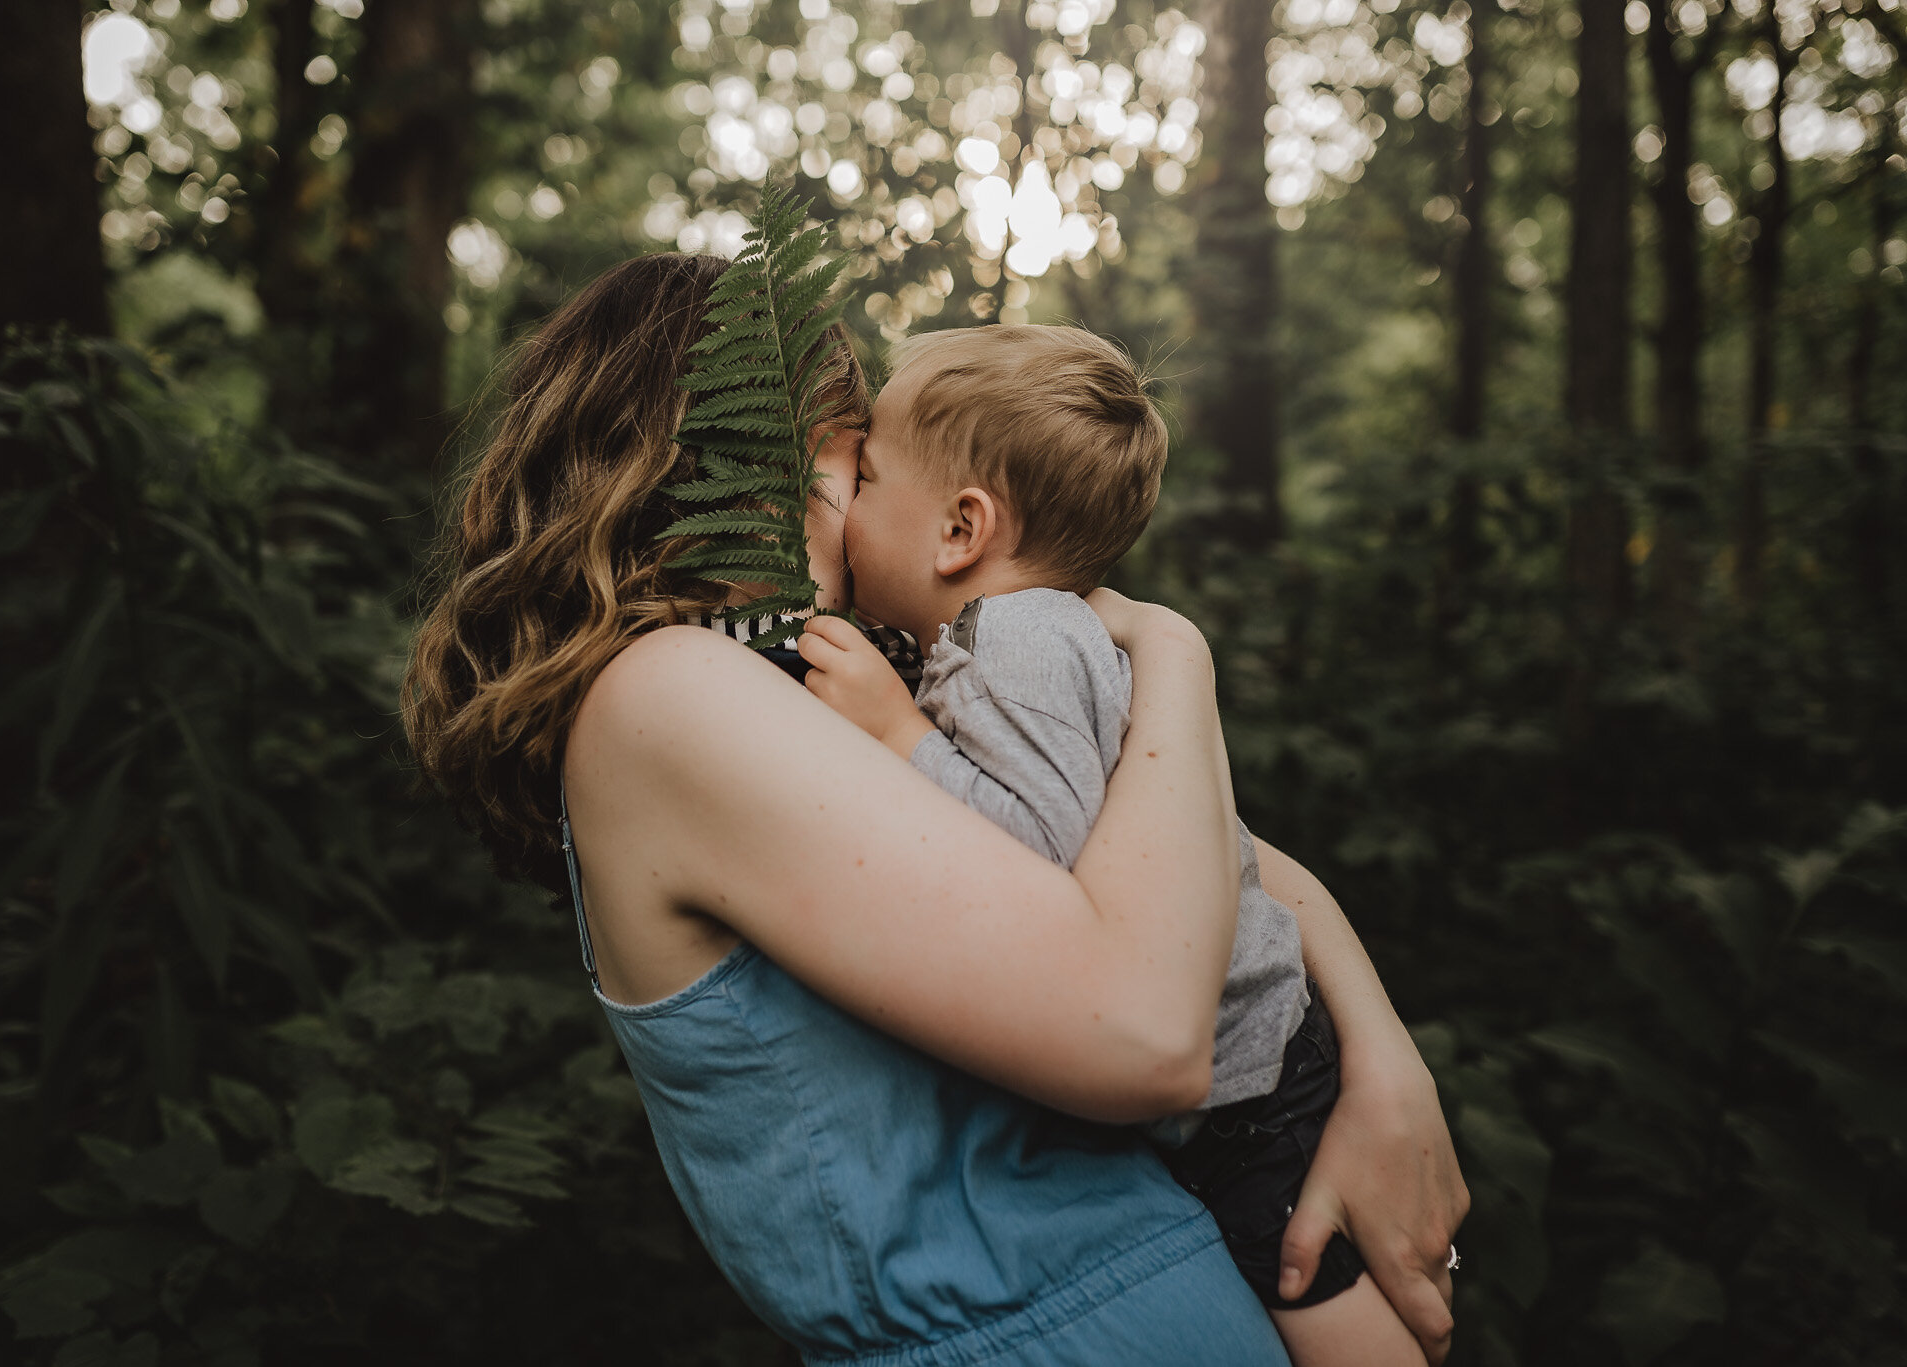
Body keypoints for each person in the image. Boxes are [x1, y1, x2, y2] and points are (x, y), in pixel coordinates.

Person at [404, 252, 1468, 1367]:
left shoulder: (805, 688)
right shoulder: (666, 693)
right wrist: (1172, 648)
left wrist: (1385, 1064)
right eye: (845, 472)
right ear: (724, 467)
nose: (858, 519)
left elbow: (1220, 868)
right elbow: (1147, 1033)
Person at [797, 323, 1425, 1366]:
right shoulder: (1015, 635)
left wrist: (896, 734)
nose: (844, 503)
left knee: (1324, 1298)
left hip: (1252, 1087)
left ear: (960, 528)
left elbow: (1041, 856)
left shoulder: (1013, 647)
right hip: (1239, 1072)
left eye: (864, 476)